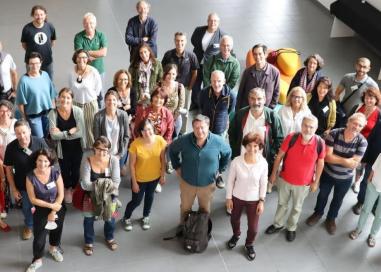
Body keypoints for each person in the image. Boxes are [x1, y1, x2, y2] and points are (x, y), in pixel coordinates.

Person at [265, 115, 325, 242]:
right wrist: (273, 173)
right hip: (285, 179)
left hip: (303, 184)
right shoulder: (291, 137)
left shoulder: (320, 143)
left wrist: (316, 181)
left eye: (311, 127)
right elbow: (279, 156)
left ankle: (291, 228)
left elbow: (320, 163)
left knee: (297, 207)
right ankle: (277, 225)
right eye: (305, 126)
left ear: (316, 128)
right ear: (301, 125)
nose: (307, 129)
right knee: (282, 204)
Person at [306, 113, 368, 235]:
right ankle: (318, 213)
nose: (356, 127)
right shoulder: (334, 133)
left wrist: (337, 158)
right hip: (328, 174)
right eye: (354, 123)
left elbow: (354, 163)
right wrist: (346, 161)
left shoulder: (362, 142)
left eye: (360, 125)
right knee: (322, 195)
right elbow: (327, 157)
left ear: (362, 127)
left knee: (338, 199)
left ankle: (331, 218)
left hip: (345, 178)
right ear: (348, 122)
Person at [169, 114, 231, 226]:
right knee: (185, 208)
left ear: (208, 126)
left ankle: (201, 230)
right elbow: (172, 149)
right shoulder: (184, 140)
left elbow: (227, 153)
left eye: (202, 127)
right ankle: (183, 227)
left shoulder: (218, 141)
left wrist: (221, 169)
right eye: (196, 128)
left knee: (205, 210)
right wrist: (177, 166)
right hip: (187, 183)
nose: (200, 131)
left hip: (207, 185)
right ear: (192, 128)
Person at [226, 132, 268, 261]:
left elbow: (263, 183)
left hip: (254, 200)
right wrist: (228, 198)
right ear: (245, 146)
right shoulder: (236, 161)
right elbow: (230, 181)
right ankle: (236, 235)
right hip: (237, 197)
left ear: (260, 147)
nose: (252, 149)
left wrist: (261, 200)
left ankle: (249, 243)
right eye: (249, 145)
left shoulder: (263, 163)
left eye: (256, 145)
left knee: (253, 228)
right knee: (234, 219)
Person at [4, 120, 48, 240]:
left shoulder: (40, 142)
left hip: (42, 183)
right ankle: (29, 225)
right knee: (27, 207)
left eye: (24, 132)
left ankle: (44, 224)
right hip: (23, 185)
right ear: (15, 134)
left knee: (43, 206)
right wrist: (13, 189)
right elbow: (8, 169)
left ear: (29, 130)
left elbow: (50, 162)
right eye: (18, 133)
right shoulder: (11, 147)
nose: (22, 136)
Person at [25, 149, 65, 272]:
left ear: (50, 162)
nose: (42, 164)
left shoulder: (55, 172)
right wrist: (50, 207)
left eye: (46, 161)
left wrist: (53, 212)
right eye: (40, 160)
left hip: (57, 206)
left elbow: (61, 194)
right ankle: (37, 259)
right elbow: (33, 199)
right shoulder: (30, 177)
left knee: (56, 230)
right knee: (39, 236)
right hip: (41, 209)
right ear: (36, 161)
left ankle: (53, 248)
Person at [80, 136, 120, 256]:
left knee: (111, 219)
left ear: (109, 150)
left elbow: (116, 182)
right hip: (90, 197)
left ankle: (110, 237)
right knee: (88, 220)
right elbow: (84, 184)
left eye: (105, 149)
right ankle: (88, 241)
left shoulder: (114, 160)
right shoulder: (87, 161)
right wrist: (106, 184)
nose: (102, 152)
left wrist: (98, 185)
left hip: (110, 197)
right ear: (94, 148)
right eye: (99, 149)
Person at [123, 119, 166, 231]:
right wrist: (134, 182)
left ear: (153, 129)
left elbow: (163, 160)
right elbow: (131, 165)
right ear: (141, 132)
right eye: (144, 130)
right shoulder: (135, 144)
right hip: (139, 179)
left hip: (154, 177)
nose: (147, 132)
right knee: (136, 201)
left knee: (149, 197)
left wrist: (162, 175)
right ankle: (126, 217)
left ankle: (146, 216)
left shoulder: (160, 140)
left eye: (149, 129)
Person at [229, 87, 284, 175]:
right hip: (242, 160)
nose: (256, 102)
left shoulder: (273, 116)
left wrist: (271, 154)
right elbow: (232, 133)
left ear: (264, 99)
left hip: (262, 164)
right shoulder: (241, 114)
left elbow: (280, 139)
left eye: (259, 99)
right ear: (248, 99)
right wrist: (235, 151)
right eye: (252, 99)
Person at [48, 88, 86, 203]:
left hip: (77, 147)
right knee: (64, 169)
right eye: (63, 97)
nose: (65, 100)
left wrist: (61, 133)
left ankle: (73, 187)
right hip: (62, 148)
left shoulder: (78, 111)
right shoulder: (53, 113)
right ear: (59, 98)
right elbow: (54, 136)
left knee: (75, 170)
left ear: (72, 99)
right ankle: (66, 188)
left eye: (68, 97)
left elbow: (80, 132)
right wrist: (69, 132)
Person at [348, 87, 381, 211]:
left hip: (369, 149)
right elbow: (348, 122)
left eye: (372, 98)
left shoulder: (378, 114)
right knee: (356, 167)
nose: (369, 100)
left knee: (366, 178)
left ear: (376, 99)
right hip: (353, 145)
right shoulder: (358, 107)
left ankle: (360, 202)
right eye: (367, 97)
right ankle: (355, 182)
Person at [162, 32, 199, 133]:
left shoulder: (191, 56)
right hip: (170, 87)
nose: (180, 43)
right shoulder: (168, 55)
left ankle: (181, 131)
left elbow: (195, 72)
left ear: (185, 42)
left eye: (182, 40)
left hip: (185, 88)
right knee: (168, 107)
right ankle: (166, 127)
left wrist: (190, 88)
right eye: (177, 40)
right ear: (174, 41)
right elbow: (163, 71)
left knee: (183, 111)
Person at [16, 52, 56, 138]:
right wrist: (25, 118)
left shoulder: (45, 75)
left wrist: (54, 112)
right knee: (39, 139)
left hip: (47, 113)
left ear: (41, 63)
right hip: (33, 117)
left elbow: (52, 94)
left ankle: (48, 152)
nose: (35, 66)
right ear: (28, 64)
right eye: (32, 64)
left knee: (49, 136)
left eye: (37, 63)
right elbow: (20, 103)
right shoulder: (24, 80)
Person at [190, 13, 225, 110]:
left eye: (215, 21)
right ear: (207, 21)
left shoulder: (222, 35)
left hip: (211, 65)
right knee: (196, 83)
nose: (213, 22)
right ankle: (195, 103)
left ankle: (205, 104)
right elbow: (193, 40)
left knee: (208, 85)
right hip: (198, 60)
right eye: (211, 20)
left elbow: (226, 49)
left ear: (218, 22)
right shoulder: (199, 30)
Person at [68, 49, 102, 148]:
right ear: (75, 58)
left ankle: (92, 148)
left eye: (84, 57)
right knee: (79, 127)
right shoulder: (71, 72)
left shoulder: (93, 71)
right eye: (79, 57)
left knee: (91, 128)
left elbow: (98, 88)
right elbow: (71, 88)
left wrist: (90, 97)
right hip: (76, 104)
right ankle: (81, 147)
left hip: (90, 103)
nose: (82, 59)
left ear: (87, 59)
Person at [74, 12, 108, 107]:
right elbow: (80, 54)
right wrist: (97, 53)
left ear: (95, 24)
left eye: (91, 23)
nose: (89, 25)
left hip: (99, 70)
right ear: (83, 24)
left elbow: (104, 53)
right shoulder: (78, 37)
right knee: (84, 94)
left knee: (100, 95)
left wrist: (87, 52)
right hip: (83, 71)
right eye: (86, 23)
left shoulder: (101, 35)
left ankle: (99, 116)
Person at [349, 152, 381, 248]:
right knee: (366, 209)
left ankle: (372, 235)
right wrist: (369, 179)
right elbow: (375, 166)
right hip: (374, 184)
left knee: (380, 215)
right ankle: (358, 229)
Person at [236, 44, 280, 110]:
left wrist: (270, 109)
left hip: (265, 109)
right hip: (248, 109)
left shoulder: (275, 72)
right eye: (255, 54)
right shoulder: (247, 72)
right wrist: (238, 110)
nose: (257, 57)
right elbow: (241, 92)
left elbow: (276, 93)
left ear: (265, 55)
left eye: (260, 54)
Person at [93, 90, 129, 166]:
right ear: (105, 101)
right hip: (104, 153)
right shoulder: (98, 116)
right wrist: (104, 153)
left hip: (119, 153)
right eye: (108, 100)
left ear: (118, 101)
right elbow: (97, 138)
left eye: (114, 100)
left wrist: (120, 155)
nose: (111, 102)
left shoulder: (123, 115)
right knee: (106, 175)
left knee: (117, 175)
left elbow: (126, 136)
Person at [21, 5, 56, 79]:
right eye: (36, 15)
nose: (39, 17)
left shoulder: (50, 26)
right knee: (32, 82)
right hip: (31, 62)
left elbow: (52, 41)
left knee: (49, 82)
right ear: (33, 15)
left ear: (45, 15)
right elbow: (24, 44)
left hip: (47, 61)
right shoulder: (27, 28)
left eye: (41, 14)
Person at [199, 70, 235, 136]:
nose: (216, 84)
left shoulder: (231, 95)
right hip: (206, 127)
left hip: (220, 129)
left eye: (219, 81)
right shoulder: (204, 92)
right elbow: (201, 106)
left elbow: (230, 110)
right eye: (214, 81)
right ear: (210, 81)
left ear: (224, 81)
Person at [0, 100, 16, 219]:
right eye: (1, 111)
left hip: (16, 160)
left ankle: (19, 198)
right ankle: (3, 204)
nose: (4, 113)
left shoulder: (17, 124)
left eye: (7, 111)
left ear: (11, 112)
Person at [160, 64, 185, 138]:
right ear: (165, 73)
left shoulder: (180, 87)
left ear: (176, 74)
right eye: (168, 73)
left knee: (173, 140)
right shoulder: (159, 85)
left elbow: (181, 104)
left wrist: (173, 118)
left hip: (175, 119)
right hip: (161, 118)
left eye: (173, 74)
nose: (171, 76)